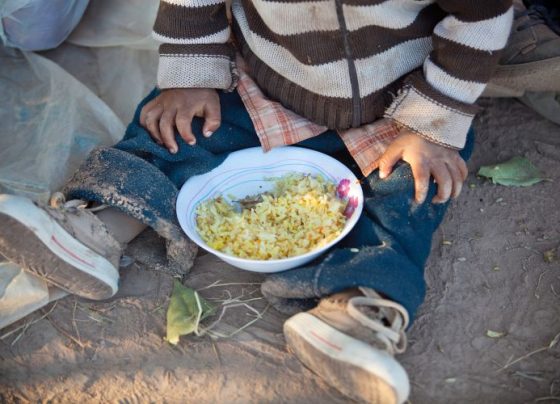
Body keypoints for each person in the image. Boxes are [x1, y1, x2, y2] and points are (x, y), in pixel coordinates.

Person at [0, 1, 514, 402]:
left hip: (400, 113)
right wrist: (193, 74)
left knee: (415, 186)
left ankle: (359, 306)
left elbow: (480, 19)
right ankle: (102, 226)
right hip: (263, 88)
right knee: (178, 126)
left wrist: (430, 121)